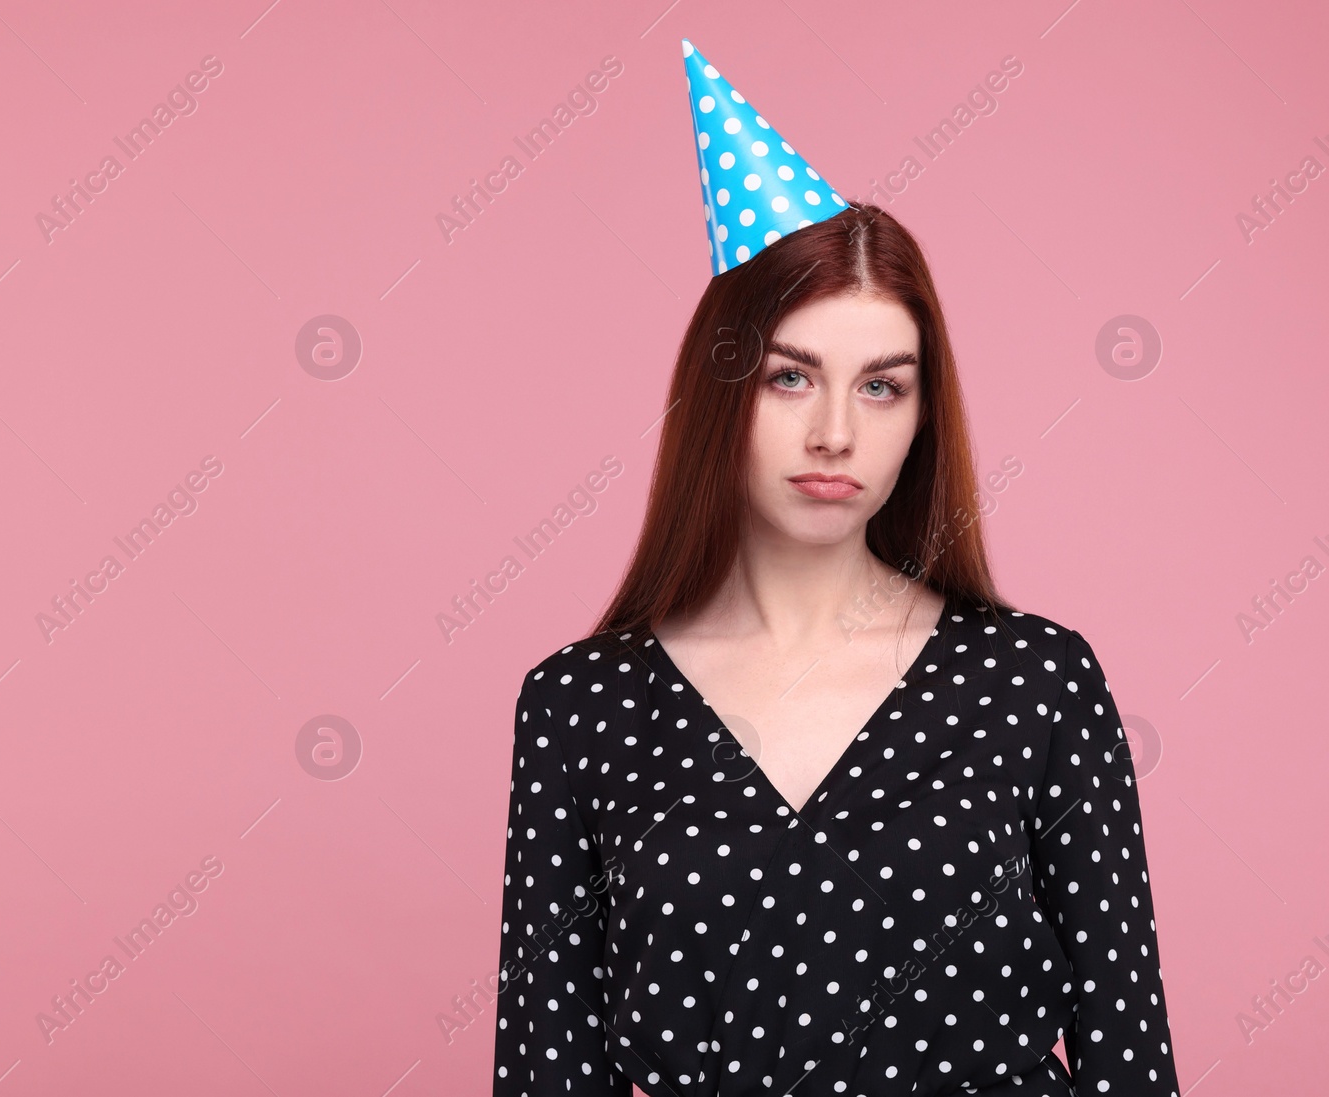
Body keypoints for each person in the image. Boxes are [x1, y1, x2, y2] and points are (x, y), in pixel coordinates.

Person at [490, 193, 1180, 1096]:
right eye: (790, 377)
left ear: (925, 413)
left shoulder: (1036, 683)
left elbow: (1126, 1045)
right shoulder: (581, 706)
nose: (835, 433)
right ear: (719, 388)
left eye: (881, 385)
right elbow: (547, 1066)